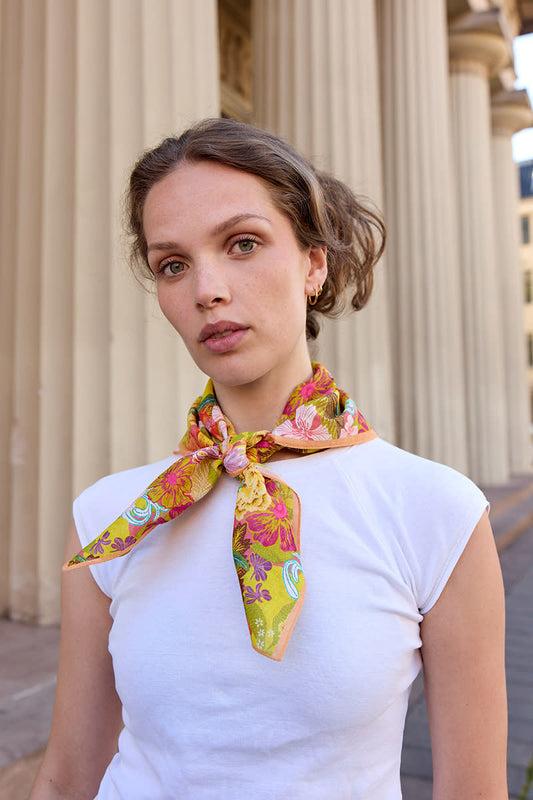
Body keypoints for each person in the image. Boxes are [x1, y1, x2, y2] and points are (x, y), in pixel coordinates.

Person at [30, 118, 508, 799]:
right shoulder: (112, 517)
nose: (207, 289)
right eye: (173, 264)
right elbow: (67, 778)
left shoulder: (435, 512)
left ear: (314, 263)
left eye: (243, 243)